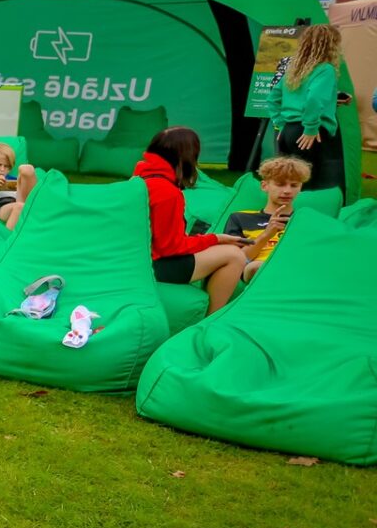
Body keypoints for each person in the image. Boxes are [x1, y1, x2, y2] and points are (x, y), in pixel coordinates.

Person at [134, 126, 248, 315]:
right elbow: (170, 247)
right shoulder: (167, 192)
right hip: (153, 265)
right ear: (187, 157)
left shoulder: (139, 179)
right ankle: (211, 319)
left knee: (221, 250)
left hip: (137, 258)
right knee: (234, 255)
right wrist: (215, 238)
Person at [271, 23, 346, 194]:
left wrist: (281, 124)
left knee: (288, 182)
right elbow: (314, 99)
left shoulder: (294, 70)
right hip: (309, 133)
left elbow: (273, 98)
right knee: (309, 185)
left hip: (289, 130)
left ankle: (283, 210)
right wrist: (311, 128)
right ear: (331, 45)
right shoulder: (325, 69)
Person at [224, 154, 309, 282]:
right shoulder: (241, 218)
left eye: (294, 185)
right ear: (264, 186)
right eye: (280, 184)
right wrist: (266, 235)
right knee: (256, 267)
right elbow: (234, 260)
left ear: (300, 188)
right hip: (258, 270)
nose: (287, 191)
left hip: (297, 268)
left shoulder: (307, 221)